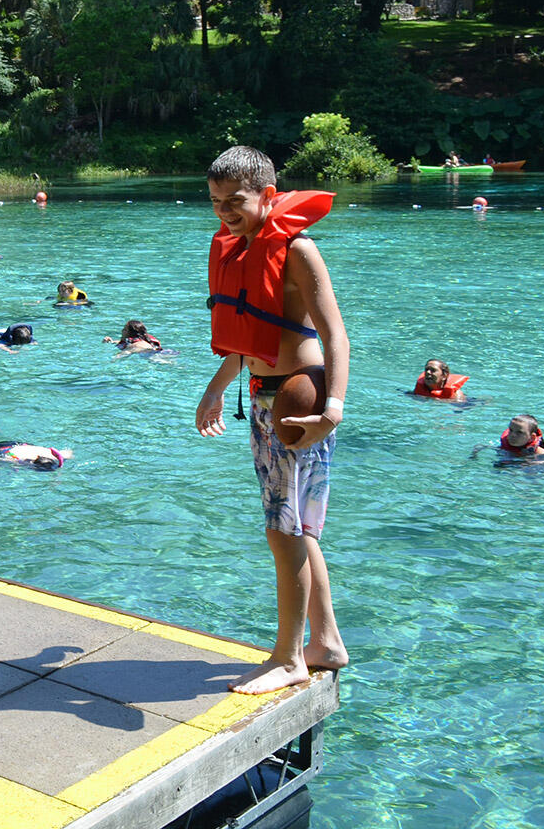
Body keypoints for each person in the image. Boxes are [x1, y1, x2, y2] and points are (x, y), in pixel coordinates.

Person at [196, 145, 350, 695]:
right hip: (261, 398)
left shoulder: (298, 249)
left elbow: (335, 336)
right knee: (296, 529)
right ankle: (325, 642)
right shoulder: (239, 249)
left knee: (283, 533)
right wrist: (215, 389)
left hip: (298, 401)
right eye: (215, 202)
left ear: (267, 194)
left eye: (234, 201)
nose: (224, 212)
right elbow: (250, 336)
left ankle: (288, 658)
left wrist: (332, 410)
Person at [475, 415, 544, 465]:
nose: (512, 435)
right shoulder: (504, 444)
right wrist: (474, 454)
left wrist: (539, 462)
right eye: (511, 430)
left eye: (519, 433)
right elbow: (480, 446)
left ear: (532, 437)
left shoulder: (538, 451)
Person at [0, 439, 70, 470]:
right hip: (0, 451)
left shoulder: (47, 453)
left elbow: (68, 453)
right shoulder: (15, 460)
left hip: (15, 444)